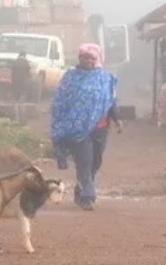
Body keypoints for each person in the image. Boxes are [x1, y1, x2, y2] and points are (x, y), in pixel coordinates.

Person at [49, 43, 121, 211]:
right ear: (79, 58)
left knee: (95, 162)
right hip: (77, 129)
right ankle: (87, 196)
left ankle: (80, 190)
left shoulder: (104, 78)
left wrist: (117, 119)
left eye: (92, 58)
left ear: (98, 59)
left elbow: (110, 101)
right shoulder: (70, 78)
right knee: (84, 162)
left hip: (101, 128)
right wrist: (61, 123)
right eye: (85, 57)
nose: (88, 60)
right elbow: (60, 102)